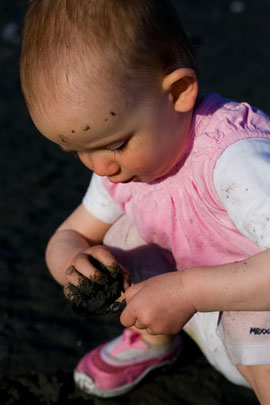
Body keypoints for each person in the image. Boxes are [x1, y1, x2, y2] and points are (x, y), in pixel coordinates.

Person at [20, 0, 270, 402]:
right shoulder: (122, 165)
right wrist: (74, 264)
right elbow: (68, 235)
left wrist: (188, 292)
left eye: (115, 144)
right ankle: (152, 340)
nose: (101, 168)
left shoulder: (235, 158)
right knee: (119, 237)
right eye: (78, 152)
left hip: (257, 307)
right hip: (183, 306)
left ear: (178, 91)